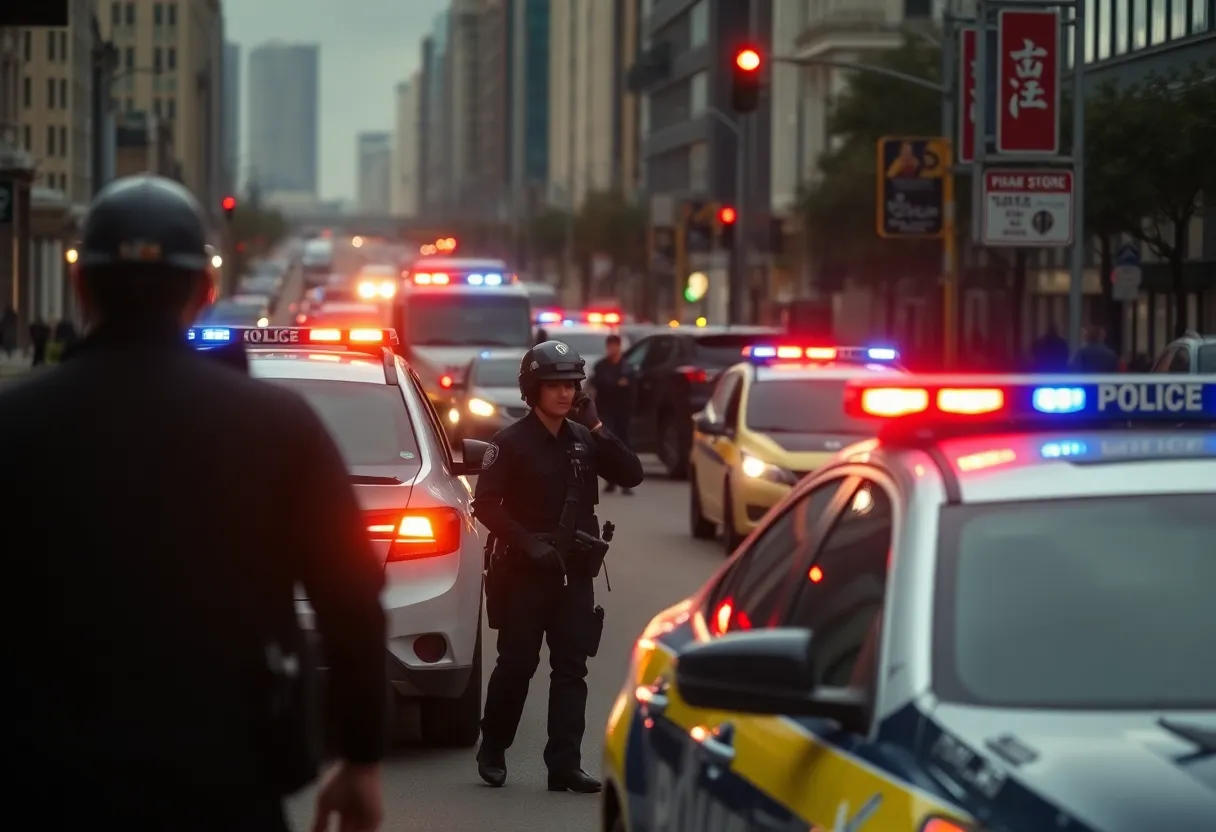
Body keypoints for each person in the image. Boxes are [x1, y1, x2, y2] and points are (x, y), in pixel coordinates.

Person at [0, 175, 387, 832]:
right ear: (205, 292)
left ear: (81, 286)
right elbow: (351, 601)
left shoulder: (15, 426)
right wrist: (361, 758)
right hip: (227, 785)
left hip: (47, 784)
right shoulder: (278, 426)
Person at [473, 340, 644, 793]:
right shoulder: (509, 443)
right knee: (516, 666)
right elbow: (484, 504)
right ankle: (493, 750)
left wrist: (598, 427)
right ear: (534, 390)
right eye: (554, 385)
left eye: (571, 385)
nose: (565, 393)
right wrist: (526, 542)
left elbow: (632, 474)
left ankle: (564, 765)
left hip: (574, 575)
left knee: (572, 669)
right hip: (524, 575)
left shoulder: (585, 440)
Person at [588, 333, 636, 494]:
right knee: (608, 446)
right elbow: (599, 382)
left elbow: (632, 388)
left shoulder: (627, 367)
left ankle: (626, 481)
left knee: (625, 446)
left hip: (623, 412)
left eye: (615, 346)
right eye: (610, 346)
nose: (612, 349)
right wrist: (617, 383)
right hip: (606, 411)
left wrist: (617, 385)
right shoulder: (601, 366)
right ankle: (611, 480)